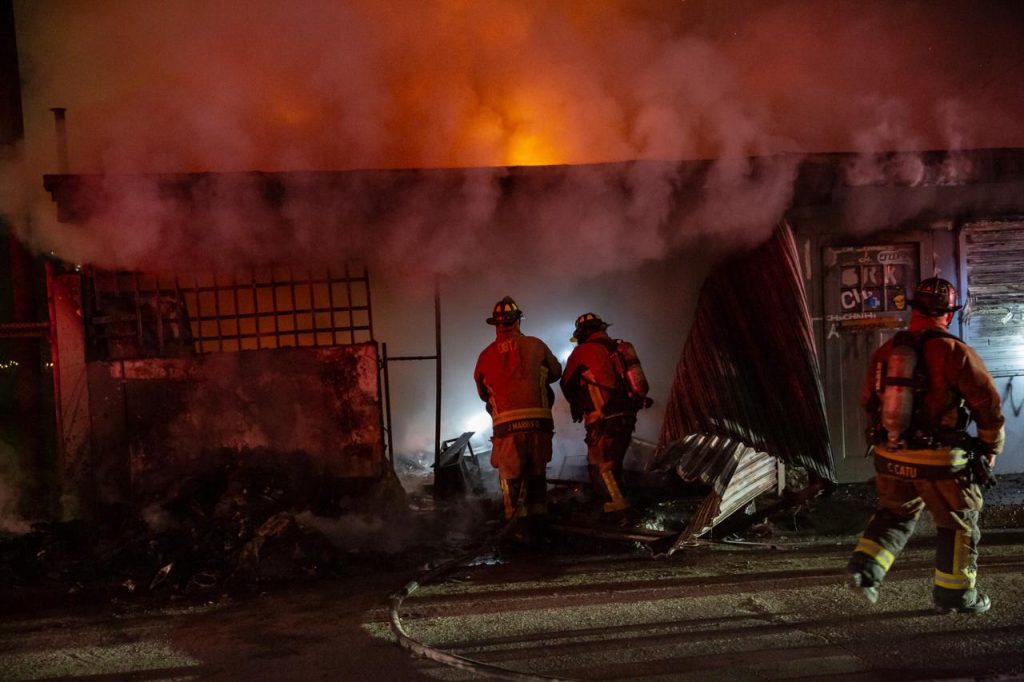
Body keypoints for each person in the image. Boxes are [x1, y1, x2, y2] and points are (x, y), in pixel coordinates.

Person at [848, 277, 1005, 614]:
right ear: (948, 314)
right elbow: (988, 405)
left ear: (913, 309)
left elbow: (867, 400)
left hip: (891, 455)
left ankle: (866, 569)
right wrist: (991, 448)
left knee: (895, 512)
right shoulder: (956, 352)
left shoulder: (886, 351)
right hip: (940, 460)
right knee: (958, 522)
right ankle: (956, 596)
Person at [474, 296, 562, 521]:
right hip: (540, 423)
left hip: (506, 427)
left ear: (496, 325)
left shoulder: (485, 356)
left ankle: (515, 525)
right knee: (536, 473)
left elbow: (483, 394)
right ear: (518, 321)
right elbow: (555, 373)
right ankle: (538, 521)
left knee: (510, 475)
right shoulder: (536, 345)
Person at [560, 313, 651, 515]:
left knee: (602, 467)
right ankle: (615, 507)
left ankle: (617, 513)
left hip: (602, 419)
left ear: (582, 334)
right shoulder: (617, 349)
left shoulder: (582, 352)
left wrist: (577, 403)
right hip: (626, 417)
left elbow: (566, 384)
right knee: (613, 464)